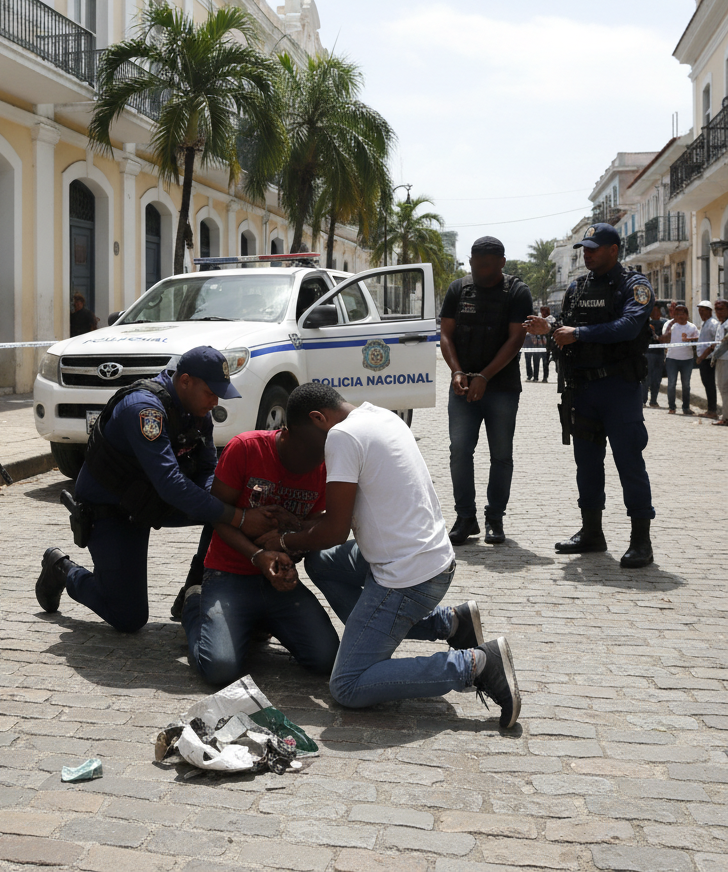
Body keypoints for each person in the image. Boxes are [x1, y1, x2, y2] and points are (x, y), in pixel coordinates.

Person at [246, 383, 520, 730]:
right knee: (322, 562)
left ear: (318, 418)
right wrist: (301, 528)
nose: (311, 452)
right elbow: (342, 518)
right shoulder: (381, 416)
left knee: (347, 685)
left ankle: (477, 664)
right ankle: (453, 622)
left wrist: (283, 541)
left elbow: (334, 532)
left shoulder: (341, 436)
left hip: (408, 578)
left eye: (305, 438)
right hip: (431, 557)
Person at [36, 346, 282, 632]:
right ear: (185, 381)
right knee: (128, 617)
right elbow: (171, 484)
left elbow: (207, 474)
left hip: (153, 501)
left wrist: (238, 509)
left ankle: (194, 593)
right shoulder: (144, 410)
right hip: (113, 512)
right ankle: (62, 570)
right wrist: (237, 517)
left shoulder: (197, 410)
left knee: (231, 504)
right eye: (210, 392)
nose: (215, 401)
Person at [524, 222, 655, 568]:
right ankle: (592, 533)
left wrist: (578, 333)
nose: (588, 253)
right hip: (582, 389)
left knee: (629, 461)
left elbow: (629, 325)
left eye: (595, 248)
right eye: (585, 248)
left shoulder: (634, 285)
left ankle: (641, 540)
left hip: (619, 387)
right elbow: (565, 329)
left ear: (614, 250)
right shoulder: (577, 288)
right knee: (587, 464)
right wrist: (549, 329)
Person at [180, 421, 339, 685]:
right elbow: (216, 515)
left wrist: (290, 547)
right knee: (220, 670)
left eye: (319, 455)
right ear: (286, 432)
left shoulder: (324, 466)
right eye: (307, 452)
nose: (312, 463)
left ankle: (259, 622)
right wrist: (257, 555)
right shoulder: (245, 448)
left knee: (325, 659)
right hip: (228, 575)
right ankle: (195, 604)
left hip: (277, 586)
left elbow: (315, 525)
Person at [439, 236, 533, 546]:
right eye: (475, 265)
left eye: (487, 267)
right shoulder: (458, 289)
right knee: (460, 453)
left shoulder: (517, 292)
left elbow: (516, 339)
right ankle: (465, 518)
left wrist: (485, 376)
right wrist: (457, 371)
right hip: (462, 387)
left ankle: (495, 518)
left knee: (501, 456)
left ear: (502, 263)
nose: (480, 272)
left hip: (502, 388)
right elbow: (446, 334)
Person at [660, 303, 698, 416]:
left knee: (686, 384)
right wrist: (671, 325)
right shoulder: (669, 325)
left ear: (687, 315)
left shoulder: (692, 327)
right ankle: (672, 407)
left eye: (682, 314)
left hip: (687, 359)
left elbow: (698, 339)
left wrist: (689, 339)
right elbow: (664, 339)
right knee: (671, 384)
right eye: (677, 314)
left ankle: (686, 407)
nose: (679, 316)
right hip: (672, 359)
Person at [695, 300, 719, 418]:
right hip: (704, 359)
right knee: (707, 384)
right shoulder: (705, 323)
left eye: (703, 311)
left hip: (708, 359)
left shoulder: (713, 323)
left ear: (710, 311)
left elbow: (715, 343)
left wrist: (702, 356)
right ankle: (710, 409)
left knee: (709, 384)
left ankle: (712, 410)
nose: (701, 314)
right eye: (699, 311)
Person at [643, 303, 665, 408]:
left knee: (657, 379)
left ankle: (654, 401)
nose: (656, 313)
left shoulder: (664, 324)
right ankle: (643, 401)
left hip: (659, 354)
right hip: (648, 353)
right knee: (647, 378)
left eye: (657, 311)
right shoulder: (646, 324)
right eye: (653, 311)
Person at [710, 298, 728, 425]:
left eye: (721, 309)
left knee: (724, 389)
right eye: (716, 309)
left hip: (725, 360)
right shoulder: (721, 324)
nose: (718, 312)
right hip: (723, 359)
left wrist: (714, 356)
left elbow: (724, 345)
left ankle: (725, 418)